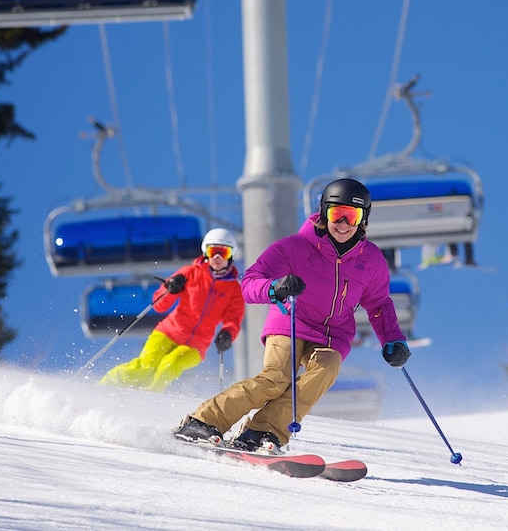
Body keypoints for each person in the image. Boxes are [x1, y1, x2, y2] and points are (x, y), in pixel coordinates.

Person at [174, 178, 411, 452]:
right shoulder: (295, 247)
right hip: (291, 323)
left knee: (327, 368)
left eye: (352, 216)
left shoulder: (370, 260)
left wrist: (393, 339)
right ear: (324, 212)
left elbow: (379, 303)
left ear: (363, 219)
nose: (343, 224)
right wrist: (275, 288)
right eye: (337, 214)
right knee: (277, 378)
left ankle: (264, 431)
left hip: (333, 336)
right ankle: (202, 421)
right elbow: (250, 283)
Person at [98, 228, 245, 392]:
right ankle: (104, 386)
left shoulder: (234, 290)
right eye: (213, 252)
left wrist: (228, 333)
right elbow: (159, 304)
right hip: (168, 333)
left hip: (196, 346)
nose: (217, 258)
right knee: (145, 367)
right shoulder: (189, 273)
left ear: (231, 255)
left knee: (169, 366)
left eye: (223, 253)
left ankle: (149, 398)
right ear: (205, 252)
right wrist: (170, 289)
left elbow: (233, 319)